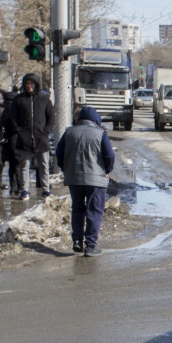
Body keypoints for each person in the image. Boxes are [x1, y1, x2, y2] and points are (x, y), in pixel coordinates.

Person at [56, 106, 114, 256]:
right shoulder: (100, 134)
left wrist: (65, 168)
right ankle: (90, 245)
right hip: (96, 180)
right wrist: (107, 170)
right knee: (94, 211)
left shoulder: (69, 132)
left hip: (74, 178)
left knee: (77, 209)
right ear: (96, 119)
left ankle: (77, 241)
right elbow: (109, 155)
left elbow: (59, 153)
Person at [1, 73, 53, 201]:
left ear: (36, 84)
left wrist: (45, 131)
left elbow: (51, 117)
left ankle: (46, 189)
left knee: (44, 164)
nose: (29, 86)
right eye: (27, 84)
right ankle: (24, 190)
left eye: (32, 83)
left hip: (41, 138)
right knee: (24, 164)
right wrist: (19, 131)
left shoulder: (44, 98)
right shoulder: (19, 99)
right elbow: (13, 117)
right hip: (24, 138)